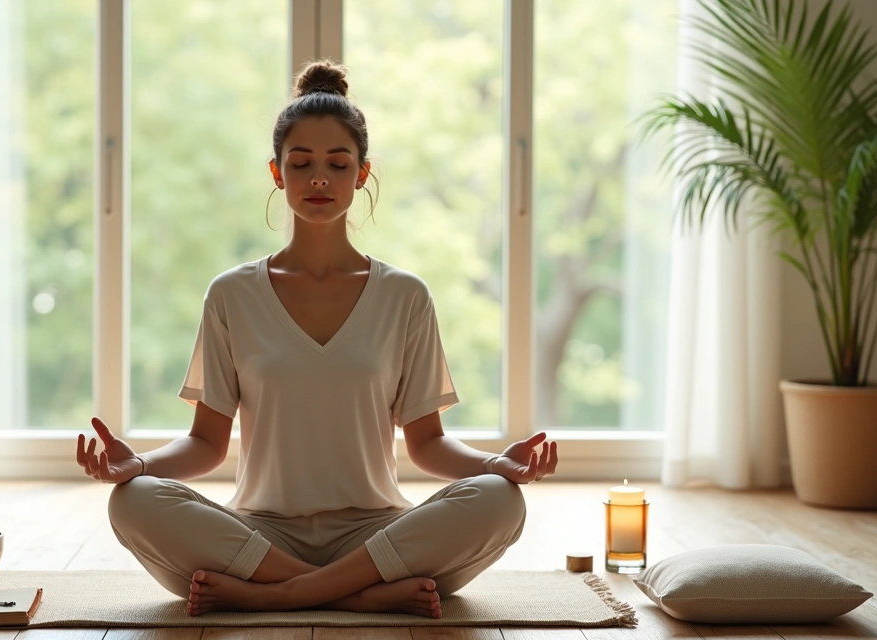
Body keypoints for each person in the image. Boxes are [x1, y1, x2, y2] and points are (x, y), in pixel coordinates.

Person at [74, 59, 558, 618]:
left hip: (377, 534)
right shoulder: (232, 294)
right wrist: (136, 467)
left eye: (337, 163)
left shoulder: (405, 296)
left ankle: (282, 595)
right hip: (259, 537)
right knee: (133, 502)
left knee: (500, 501)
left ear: (363, 173)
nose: (319, 179)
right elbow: (207, 444)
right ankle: (357, 597)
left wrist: (498, 464)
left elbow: (426, 444)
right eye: (301, 164)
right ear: (277, 174)